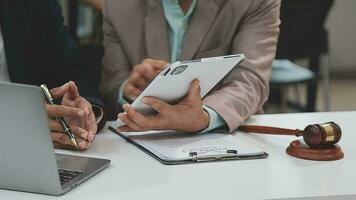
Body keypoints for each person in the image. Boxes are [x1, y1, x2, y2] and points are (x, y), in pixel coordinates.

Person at [100, 0, 281, 133]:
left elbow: (250, 81)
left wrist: (204, 116)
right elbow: (112, 83)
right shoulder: (119, 6)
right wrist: (129, 91)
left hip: (224, 132)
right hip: (141, 139)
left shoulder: (253, 3)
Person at [0, 0, 104, 150]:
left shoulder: (37, 5)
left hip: (33, 150)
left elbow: (71, 69)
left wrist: (81, 111)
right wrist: (20, 119)